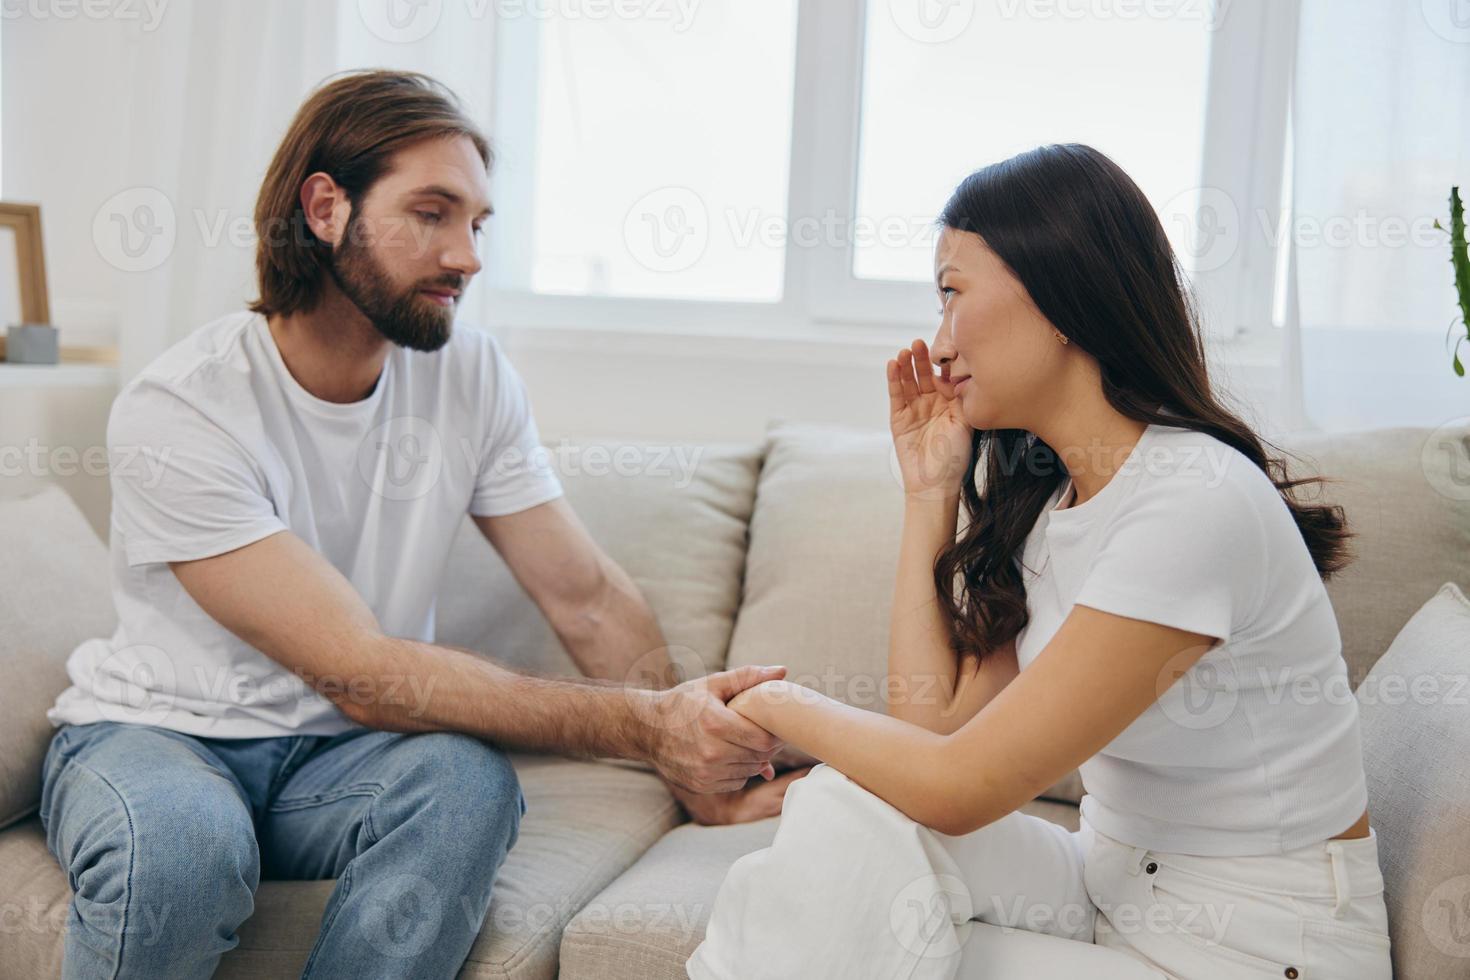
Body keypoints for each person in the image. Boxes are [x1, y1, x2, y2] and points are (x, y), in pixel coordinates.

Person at [38, 70, 807, 980]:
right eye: (433, 213)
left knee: (465, 786)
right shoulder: (183, 409)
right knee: (189, 849)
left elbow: (587, 597)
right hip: (160, 735)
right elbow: (360, 672)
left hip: (345, 766)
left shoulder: (470, 378)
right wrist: (648, 726)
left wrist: (696, 767)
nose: (468, 256)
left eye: (477, 224)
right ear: (325, 208)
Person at [687, 144, 1392, 980]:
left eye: (953, 294)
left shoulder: (1194, 501)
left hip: (1254, 949)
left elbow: (960, 786)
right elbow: (932, 737)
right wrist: (929, 494)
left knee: (839, 937)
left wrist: (775, 699)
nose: (939, 345)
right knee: (844, 803)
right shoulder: (1056, 502)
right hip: (1112, 887)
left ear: (1060, 295)